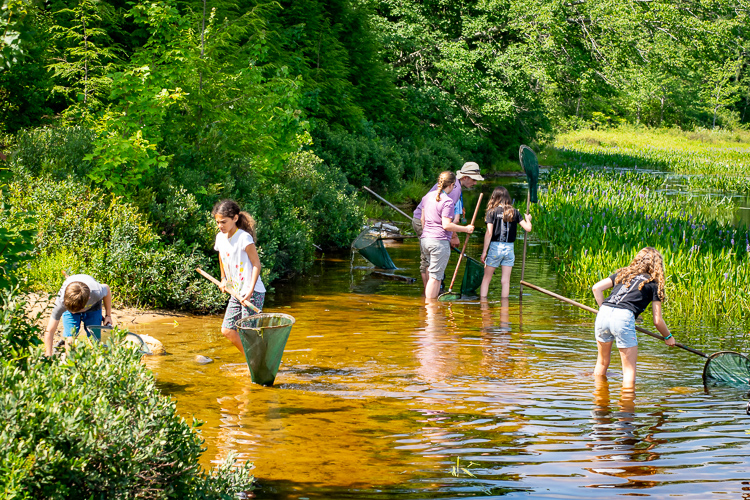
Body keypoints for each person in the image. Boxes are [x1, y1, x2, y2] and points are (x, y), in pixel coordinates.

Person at [591, 247, 676, 389]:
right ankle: (627, 406)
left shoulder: (623, 274)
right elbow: (657, 320)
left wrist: (603, 310)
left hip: (604, 313)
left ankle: (599, 403)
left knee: (602, 362)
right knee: (629, 370)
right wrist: (668, 337)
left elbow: (596, 288)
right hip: (623, 317)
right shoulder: (654, 284)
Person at [413, 162, 484, 284]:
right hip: (424, 222)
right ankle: (429, 294)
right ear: (465, 177)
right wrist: (454, 236)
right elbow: (447, 219)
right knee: (427, 261)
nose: (475, 183)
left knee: (428, 259)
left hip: (424, 220)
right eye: (474, 179)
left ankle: (429, 293)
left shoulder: (454, 185)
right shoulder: (454, 189)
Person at [212, 199, 266, 354]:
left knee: (248, 332)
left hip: (252, 292)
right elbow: (221, 257)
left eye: (223, 222)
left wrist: (249, 292)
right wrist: (223, 279)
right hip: (237, 292)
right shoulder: (220, 238)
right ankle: (253, 360)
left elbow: (256, 264)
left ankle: (257, 361)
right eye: (217, 222)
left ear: (235, 218)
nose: (220, 226)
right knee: (227, 330)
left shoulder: (244, 238)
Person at [420, 171, 475, 298]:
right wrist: (466, 229)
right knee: (435, 278)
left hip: (425, 240)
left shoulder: (426, 197)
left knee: (432, 274)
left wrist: (427, 233)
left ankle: (429, 309)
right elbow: (446, 225)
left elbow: (422, 220)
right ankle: (431, 311)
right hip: (439, 242)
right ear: (451, 185)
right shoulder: (447, 201)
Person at [479, 186, 532, 298]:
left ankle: (483, 305)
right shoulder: (515, 212)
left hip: (495, 248)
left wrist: (484, 251)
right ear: (507, 197)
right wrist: (528, 219)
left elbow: (489, 233)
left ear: (494, 198)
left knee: (487, 278)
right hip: (509, 249)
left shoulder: (491, 212)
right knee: (505, 281)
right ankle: (504, 308)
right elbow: (528, 228)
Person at [45, 274, 113, 356]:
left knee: (94, 339)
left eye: (76, 310)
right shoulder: (61, 302)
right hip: (70, 304)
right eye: (72, 311)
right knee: (70, 340)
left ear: (88, 299)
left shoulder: (97, 292)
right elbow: (49, 331)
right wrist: (48, 356)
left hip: (93, 306)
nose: (74, 313)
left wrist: (108, 316)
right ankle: (70, 362)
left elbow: (107, 289)